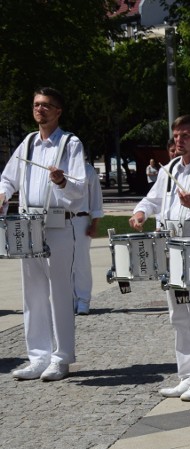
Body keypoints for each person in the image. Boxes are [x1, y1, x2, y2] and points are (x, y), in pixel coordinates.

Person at [130, 115, 190, 402]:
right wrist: (141, 212)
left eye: (185, 135)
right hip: (170, 244)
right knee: (177, 314)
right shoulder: (169, 168)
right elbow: (154, 198)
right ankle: (186, 375)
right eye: (176, 136)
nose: (179, 141)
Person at [1, 87, 87, 381]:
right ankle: (38, 356)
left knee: (60, 292)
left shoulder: (70, 144)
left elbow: (79, 189)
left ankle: (61, 358)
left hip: (58, 225)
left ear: (58, 111)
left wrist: (62, 181)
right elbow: (8, 179)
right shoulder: (27, 143)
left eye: (47, 106)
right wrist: (1, 194)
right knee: (33, 294)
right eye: (37, 104)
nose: (40, 110)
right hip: (28, 225)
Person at [71, 161, 104, 316]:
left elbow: (96, 200)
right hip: (58, 221)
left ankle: (83, 300)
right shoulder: (57, 167)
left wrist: (94, 224)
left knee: (81, 262)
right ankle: (70, 300)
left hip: (80, 219)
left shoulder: (87, 170)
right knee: (63, 264)